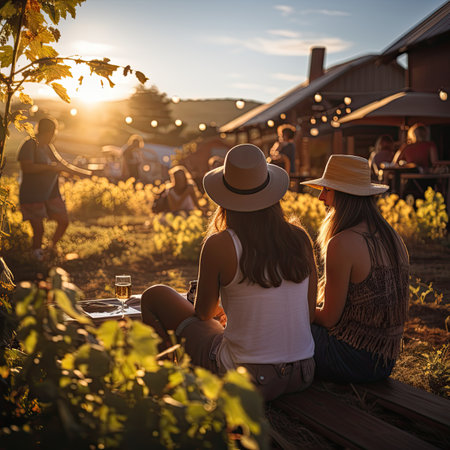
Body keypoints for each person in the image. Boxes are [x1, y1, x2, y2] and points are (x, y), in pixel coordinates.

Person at [141, 144, 317, 401]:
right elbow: (308, 312)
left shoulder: (221, 243)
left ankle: (164, 381)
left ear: (225, 197)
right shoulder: (299, 238)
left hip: (249, 379)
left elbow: (203, 313)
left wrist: (221, 309)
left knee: (155, 295)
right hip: (303, 372)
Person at [301, 155, 409, 383]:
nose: (321, 197)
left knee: (281, 323)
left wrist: (297, 308)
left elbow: (329, 319)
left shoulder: (343, 243)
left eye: (326, 190)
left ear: (342, 194)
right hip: (384, 360)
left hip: (351, 357)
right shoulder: (392, 236)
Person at [17, 117, 90, 261]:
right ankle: (37, 255)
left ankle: (51, 247)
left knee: (63, 221)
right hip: (32, 195)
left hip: (50, 193)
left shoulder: (47, 147)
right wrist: (50, 167)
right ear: (50, 132)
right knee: (39, 229)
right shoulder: (29, 144)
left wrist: (86, 174)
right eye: (54, 132)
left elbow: (62, 165)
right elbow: (27, 167)